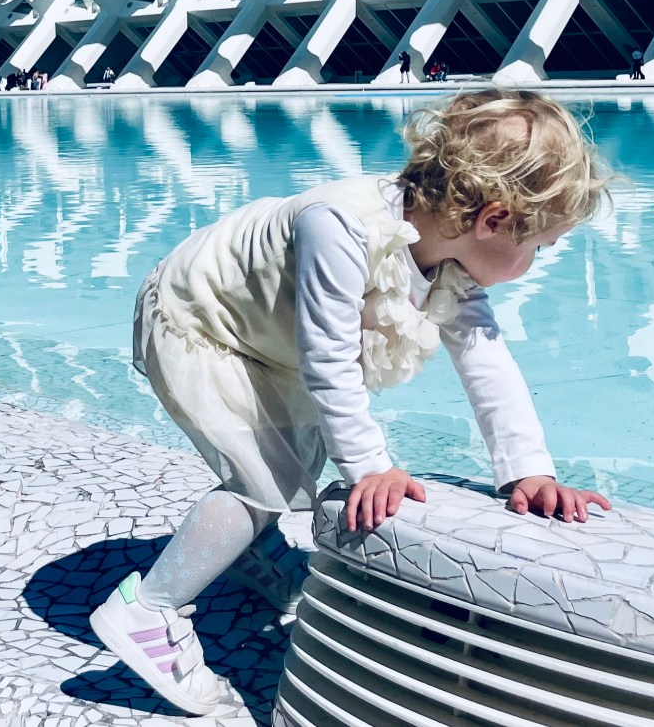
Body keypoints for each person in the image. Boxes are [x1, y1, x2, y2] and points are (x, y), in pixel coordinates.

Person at [90, 90, 613, 714]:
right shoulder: (340, 225)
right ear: (493, 220)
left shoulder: (451, 255)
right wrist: (369, 466)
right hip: (201, 318)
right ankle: (148, 610)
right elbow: (329, 361)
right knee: (270, 477)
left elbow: (485, 358)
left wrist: (529, 470)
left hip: (265, 335)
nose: (535, 262)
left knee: (298, 458)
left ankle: (251, 551)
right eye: (539, 246)